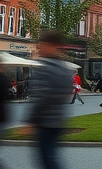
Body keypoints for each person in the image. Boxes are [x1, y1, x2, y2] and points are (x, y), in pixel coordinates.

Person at [27, 30, 71, 169]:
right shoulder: (64, 67)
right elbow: (67, 91)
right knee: (51, 156)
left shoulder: (45, 68)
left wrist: (31, 120)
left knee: (48, 159)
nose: (39, 48)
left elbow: (41, 97)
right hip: (59, 120)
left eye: (42, 45)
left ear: (51, 45)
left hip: (45, 121)